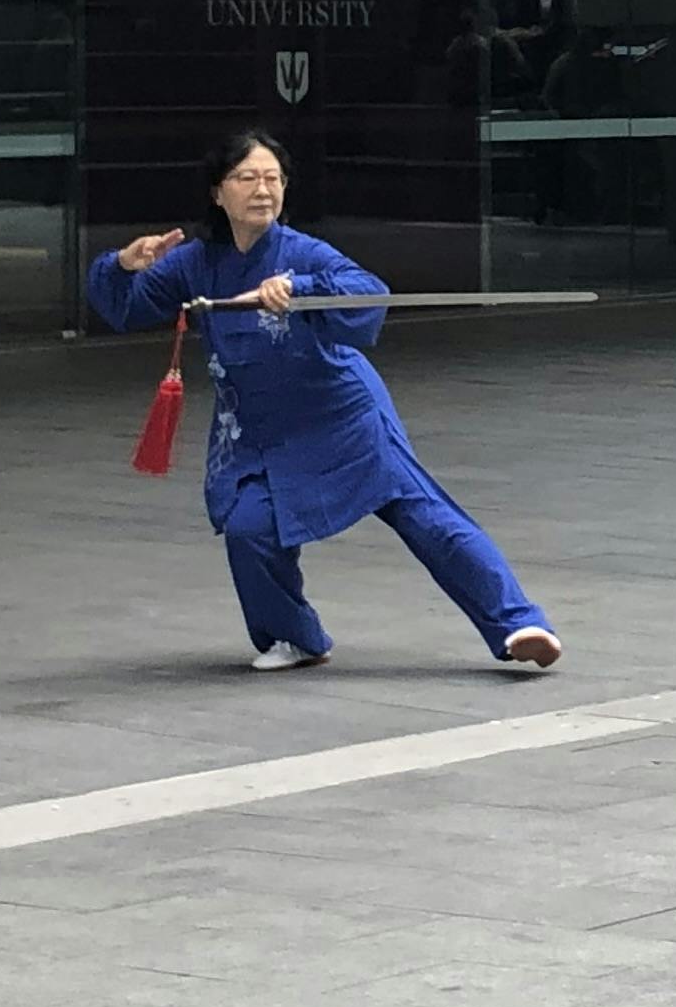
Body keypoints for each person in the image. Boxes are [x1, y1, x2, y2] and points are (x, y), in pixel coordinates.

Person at [86, 128, 561, 673]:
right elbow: (124, 308)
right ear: (218, 192)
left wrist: (299, 289)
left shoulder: (302, 252)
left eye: (273, 178)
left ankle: (518, 622)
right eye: (247, 178)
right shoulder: (195, 262)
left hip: (343, 414)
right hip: (261, 428)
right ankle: (295, 636)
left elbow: (367, 292)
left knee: (423, 515)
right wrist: (124, 263)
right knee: (249, 527)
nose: (263, 190)